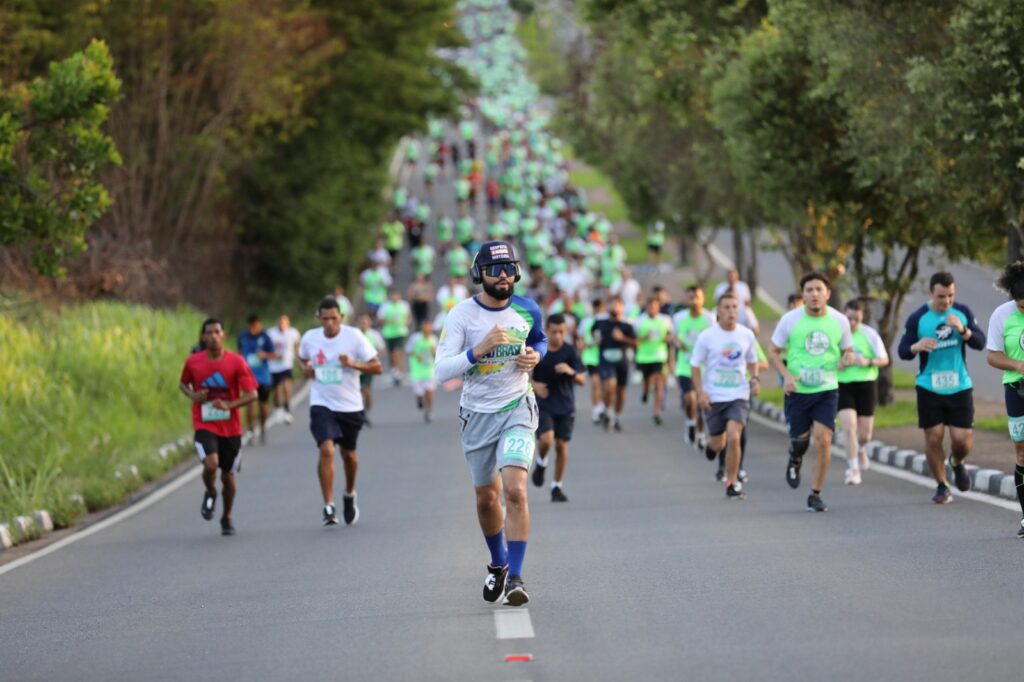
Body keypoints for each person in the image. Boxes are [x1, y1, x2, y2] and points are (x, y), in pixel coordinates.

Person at [434, 240, 547, 607]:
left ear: (516, 272)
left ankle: (515, 576)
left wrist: (534, 356)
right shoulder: (461, 316)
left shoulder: (527, 310)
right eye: (493, 270)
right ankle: (498, 563)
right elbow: (441, 371)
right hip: (477, 414)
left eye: (508, 268)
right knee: (487, 499)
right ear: (478, 274)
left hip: (518, 405)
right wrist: (477, 350)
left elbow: (540, 340)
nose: (502, 276)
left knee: (515, 490)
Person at [769, 272, 854, 513]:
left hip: (827, 389)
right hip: (797, 390)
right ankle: (795, 458)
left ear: (828, 293)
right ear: (803, 295)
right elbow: (773, 350)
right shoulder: (790, 320)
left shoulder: (840, 321)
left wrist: (848, 358)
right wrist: (786, 376)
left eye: (819, 289)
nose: (814, 294)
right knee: (800, 442)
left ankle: (815, 494)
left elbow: (848, 350)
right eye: (809, 290)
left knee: (823, 440)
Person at [898, 272, 986, 504]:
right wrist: (916, 346)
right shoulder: (918, 318)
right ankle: (942, 485)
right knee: (934, 437)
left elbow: (980, 342)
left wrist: (963, 331)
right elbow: (902, 351)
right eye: (941, 296)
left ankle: (956, 462)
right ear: (930, 294)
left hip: (959, 385)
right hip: (929, 385)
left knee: (961, 441)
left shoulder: (962, 312)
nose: (946, 301)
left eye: (950, 295)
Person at [298, 298, 382, 526]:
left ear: (341, 318)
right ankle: (328, 505)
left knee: (349, 456)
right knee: (326, 449)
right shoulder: (310, 338)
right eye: (325, 319)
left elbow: (377, 366)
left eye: (334, 318)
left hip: (350, 405)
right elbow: (303, 358)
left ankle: (349, 493)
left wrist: (354, 364)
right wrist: (306, 369)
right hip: (321, 403)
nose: (329, 323)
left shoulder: (354, 336)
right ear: (319, 318)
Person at [179, 318, 258, 536]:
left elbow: (252, 394)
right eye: (209, 333)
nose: (213, 336)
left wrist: (229, 405)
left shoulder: (236, 362)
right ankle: (211, 491)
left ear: (223, 335)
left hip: (231, 428)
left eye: (217, 332)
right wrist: (192, 395)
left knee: (228, 476)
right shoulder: (193, 362)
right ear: (203, 337)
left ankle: (227, 516)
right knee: (211, 464)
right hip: (205, 423)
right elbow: (183, 383)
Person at [690, 294, 760, 500]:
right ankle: (711, 449)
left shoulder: (746, 335)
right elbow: (695, 365)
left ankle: (732, 481)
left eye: (734, 307)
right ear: (718, 311)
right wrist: (701, 393)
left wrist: (754, 379)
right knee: (718, 443)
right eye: (726, 307)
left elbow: (753, 361)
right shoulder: (707, 337)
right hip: (714, 397)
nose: (731, 311)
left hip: (738, 395)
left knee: (734, 435)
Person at [985, 261, 1024, 537]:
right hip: (1017, 388)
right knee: (1022, 451)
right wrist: (1018, 365)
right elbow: (992, 355)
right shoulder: (1002, 315)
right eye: (1022, 305)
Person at [530, 313, 585, 502]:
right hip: (544, 403)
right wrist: (535, 386)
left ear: (566, 331)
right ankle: (541, 462)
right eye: (554, 332)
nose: (557, 336)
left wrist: (570, 372)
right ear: (547, 330)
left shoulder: (570, 351)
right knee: (546, 440)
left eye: (561, 332)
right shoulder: (539, 350)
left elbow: (581, 379)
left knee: (561, 446)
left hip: (565, 405)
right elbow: (523, 374)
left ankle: (556, 486)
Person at [837, 300, 889, 485]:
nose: (852, 323)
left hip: (866, 384)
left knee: (865, 434)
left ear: (862, 317)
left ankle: (861, 448)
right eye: (849, 318)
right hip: (843, 385)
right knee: (849, 427)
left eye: (856, 319)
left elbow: (884, 359)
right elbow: (827, 362)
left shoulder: (869, 334)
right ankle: (852, 469)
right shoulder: (836, 334)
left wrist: (868, 361)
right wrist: (841, 364)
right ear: (843, 315)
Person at [673, 285, 713, 448]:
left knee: (700, 402)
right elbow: (673, 337)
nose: (694, 300)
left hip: (704, 367)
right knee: (689, 399)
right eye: (691, 297)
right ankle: (690, 422)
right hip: (685, 364)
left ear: (703, 299)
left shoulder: (709, 318)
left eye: (697, 297)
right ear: (686, 300)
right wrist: (677, 343)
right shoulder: (679, 318)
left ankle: (701, 433)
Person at [593, 295, 638, 432]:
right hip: (605, 359)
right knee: (609, 385)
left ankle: (616, 416)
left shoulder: (627, 325)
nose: (614, 307)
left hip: (622, 361)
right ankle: (608, 410)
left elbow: (636, 343)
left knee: (621, 391)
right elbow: (593, 333)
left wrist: (622, 338)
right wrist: (596, 338)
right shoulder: (600, 322)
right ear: (607, 306)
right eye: (612, 304)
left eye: (618, 304)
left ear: (622, 307)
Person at [237, 314, 276, 445]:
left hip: (263, 377)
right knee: (249, 405)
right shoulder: (243, 337)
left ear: (259, 324)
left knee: (263, 405)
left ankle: (263, 427)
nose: (254, 328)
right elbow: (239, 353)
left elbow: (274, 354)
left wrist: (264, 355)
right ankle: (251, 431)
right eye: (251, 325)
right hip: (248, 377)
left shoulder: (265, 337)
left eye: (256, 325)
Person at [635, 296, 673, 425]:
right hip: (644, 357)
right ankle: (645, 391)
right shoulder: (640, 321)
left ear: (658, 307)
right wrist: (644, 337)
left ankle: (656, 412)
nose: (652, 309)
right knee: (648, 381)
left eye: (655, 307)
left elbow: (670, 334)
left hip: (659, 356)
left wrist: (668, 338)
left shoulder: (665, 320)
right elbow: (635, 340)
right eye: (650, 307)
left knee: (658, 383)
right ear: (646, 308)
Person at [267, 314, 301, 424]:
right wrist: (273, 356)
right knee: (277, 391)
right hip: (273, 366)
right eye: (280, 322)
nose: (282, 324)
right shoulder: (270, 333)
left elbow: (297, 348)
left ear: (288, 323)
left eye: (284, 322)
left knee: (287, 387)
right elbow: (265, 349)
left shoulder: (293, 333)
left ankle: (287, 410)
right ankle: (277, 408)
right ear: (277, 322)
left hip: (287, 365)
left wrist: (299, 361)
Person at [578, 298, 607, 423]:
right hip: (590, 357)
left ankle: (602, 406)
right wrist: (585, 345)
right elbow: (580, 338)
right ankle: (596, 410)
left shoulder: (606, 320)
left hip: (604, 357)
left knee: (605, 385)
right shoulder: (586, 322)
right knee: (595, 383)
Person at [406, 318, 438, 422]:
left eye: (429, 326)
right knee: (419, 393)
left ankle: (429, 411)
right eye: (426, 326)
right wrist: (417, 355)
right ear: (422, 327)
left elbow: (437, 354)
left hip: (429, 369)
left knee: (429, 391)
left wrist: (434, 353)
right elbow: (408, 350)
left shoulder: (433, 339)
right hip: (417, 369)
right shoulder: (415, 338)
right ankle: (419, 400)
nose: (428, 328)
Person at [357, 313, 386, 428]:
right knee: (358, 392)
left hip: (368, 367)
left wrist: (375, 359)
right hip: (356, 367)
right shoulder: (355, 335)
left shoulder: (375, 335)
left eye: (366, 322)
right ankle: (359, 413)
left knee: (367, 392)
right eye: (362, 322)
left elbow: (382, 349)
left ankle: (365, 412)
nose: (364, 324)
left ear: (369, 323)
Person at [378, 289, 412, 385]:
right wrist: (389, 321)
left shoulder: (404, 305)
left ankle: (399, 371)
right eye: (393, 295)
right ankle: (394, 370)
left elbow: (408, 316)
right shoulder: (385, 306)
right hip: (389, 333)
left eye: (396, 295)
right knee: (391, 353)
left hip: (400, 332)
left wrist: (406, 322)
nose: (395, 297)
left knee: (398, 352)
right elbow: (380, 320)